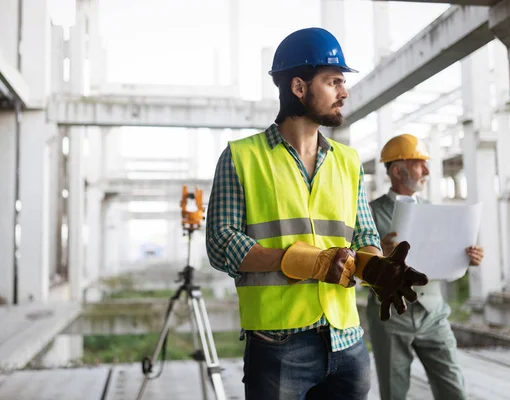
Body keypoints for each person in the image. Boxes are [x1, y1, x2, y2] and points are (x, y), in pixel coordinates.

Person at [205, 27, 428, 400]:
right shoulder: (242, 157)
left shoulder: (349, 161)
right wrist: (312, 262)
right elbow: (221, 242)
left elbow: (365, 238)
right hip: (277, 345)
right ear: (298, 88)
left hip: (347, 342)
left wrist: (374, 268)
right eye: (334, 81)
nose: (344, 92)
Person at [367, 133, 485, 400]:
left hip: (434, 313)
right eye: (419, 164)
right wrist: (379, 257)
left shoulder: (434, 211)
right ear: (397, 170)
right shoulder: (370, 213)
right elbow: (357, 265)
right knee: (394, 392)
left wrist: (468, 256)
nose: (427, 171)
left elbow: (442, 258)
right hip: (391, 319)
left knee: (454, 389)